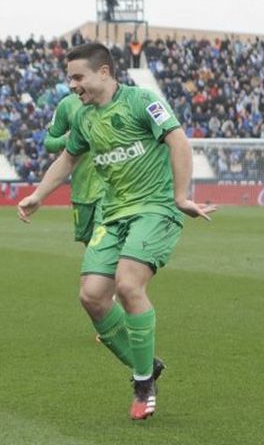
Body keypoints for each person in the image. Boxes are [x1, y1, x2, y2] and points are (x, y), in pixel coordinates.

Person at [17, 43, 217, 421]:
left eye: (78, 77)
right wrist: (39, 195)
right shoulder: (83, 117)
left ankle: (142, 383)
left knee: (127, 285)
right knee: (92, 297)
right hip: (114, 215)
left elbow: (178, 140)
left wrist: (180, 196)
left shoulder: (142, 101)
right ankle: (147, 364)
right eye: (69, 79)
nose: (72, 85)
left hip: (155, 209)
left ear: (104, 72)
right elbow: (68, 157)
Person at [44, 91, 105, 246]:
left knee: (103, 245)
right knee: (90, 244)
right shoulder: (67, 104)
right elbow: (49, 143)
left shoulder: (119, 99)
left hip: (110, 188)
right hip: (82, 190)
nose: (74, 83)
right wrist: (67, 138)